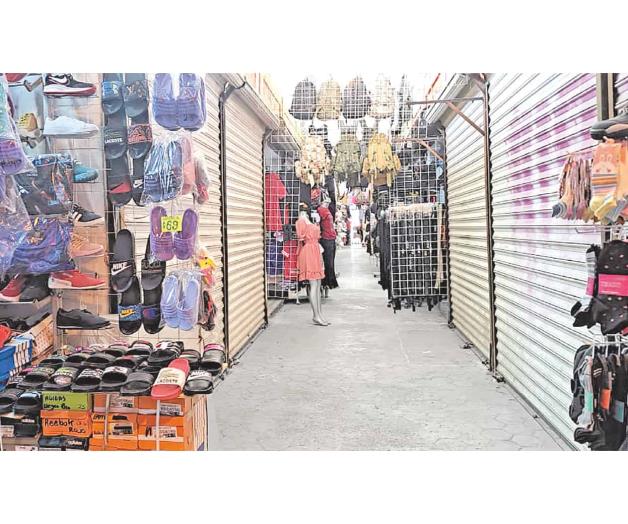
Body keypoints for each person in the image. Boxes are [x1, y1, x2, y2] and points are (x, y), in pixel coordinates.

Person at [296, 203, 329, 326]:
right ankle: (316, 315)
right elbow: (301, 238)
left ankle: (319, 314)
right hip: (309, 251)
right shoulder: (300, 221)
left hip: (315, 250)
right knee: (314, 284)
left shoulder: (307, 220)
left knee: (318, 283)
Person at [318, 195, 338, 297]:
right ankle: (325, 284)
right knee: (327, 264)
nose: (328, 202)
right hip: (326, 239)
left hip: (331, 239)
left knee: (330, 264)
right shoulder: (321, 210)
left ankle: (327, 284)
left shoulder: (326, 210)